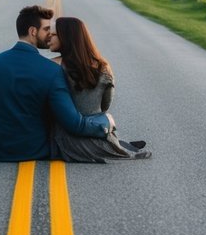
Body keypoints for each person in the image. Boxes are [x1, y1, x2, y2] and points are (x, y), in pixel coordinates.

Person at [0, 5, 114, 162]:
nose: (50, 35)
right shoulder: (51, 70)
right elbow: (73, 122)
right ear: (33, 32)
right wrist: (105, 122)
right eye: (46, 29)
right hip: (35, 150)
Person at [48, 16, 151, 162]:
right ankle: (118, 145)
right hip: (97, 127)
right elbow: (105, 106)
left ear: (66, 37)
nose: (48, 38)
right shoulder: (104, 66)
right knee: (104, 130)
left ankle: (120, 147)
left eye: (53, 34)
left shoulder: (53, 66)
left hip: (67, 136)